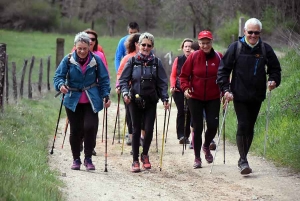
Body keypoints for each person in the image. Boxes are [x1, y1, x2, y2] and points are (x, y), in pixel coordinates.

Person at [217, 18, 281, 175]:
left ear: (260, 33)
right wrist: (225, 89)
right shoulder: (236, 47)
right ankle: (243, 160)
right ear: (244, 32)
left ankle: (243, 158)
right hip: (238, 94)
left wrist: (273, 81)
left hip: (257, 95)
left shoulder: (265, 49)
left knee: (250, 127)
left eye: (256, 32)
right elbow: (223, 71)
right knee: (243, 124)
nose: (253, 35)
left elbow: (275, 69)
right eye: (250, 32)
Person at [53, 32, 111, 171]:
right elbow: (58, 76)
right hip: (72, 100)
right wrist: (61, 85)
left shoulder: (96, 60)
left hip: (91, 100)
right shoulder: (68, 60)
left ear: (89, 47)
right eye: (79, 48)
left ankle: (88, 158)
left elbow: (104, 79)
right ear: (75, 47)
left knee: (90, 128)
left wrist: (106, 95)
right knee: (76, 130)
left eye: (85, 48)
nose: (82, 51)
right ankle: (76, 159)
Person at [119, 32, 169, 172]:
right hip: (134, 99)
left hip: (151, 100)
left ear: (152, 46)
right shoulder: (132, 61)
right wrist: (124, 92)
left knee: (149, 129)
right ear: (138, 45)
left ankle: (145, 154)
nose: (146, 47)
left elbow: (162, 82)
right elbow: (123, 80)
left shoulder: (156, 63)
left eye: (149, 45)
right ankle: (135, 160)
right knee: (135, 130)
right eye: (143, 45)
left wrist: (165, 97)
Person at [180, 30, 223, 169]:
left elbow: (223, 76)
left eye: (207, 42)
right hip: (195, 96)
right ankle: (197, 157)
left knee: (212, 125)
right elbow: (183, 76)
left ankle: (206, 145)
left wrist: (225, 90)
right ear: (198, 43)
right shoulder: (193, 57)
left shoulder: (218, 57)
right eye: (202, 43)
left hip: (213, 97)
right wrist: (186, 88)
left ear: (212, 42)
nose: (205, 45)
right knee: (197, 127)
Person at [116, 33, 141, 148]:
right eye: (141, 42)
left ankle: (142, 138)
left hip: (145, 91)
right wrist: (118, 86)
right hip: (129, 91)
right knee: (131, 116)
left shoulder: (150, 58)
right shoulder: (127, 58)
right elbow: (120, 74)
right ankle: (132, 138)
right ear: (136, 44)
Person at [170, 38, 193, 145]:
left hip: (192, 90)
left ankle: (187, 135)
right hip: (179, 89)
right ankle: (181, 135)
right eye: (186, 46)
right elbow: (173, 75)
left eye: (190, 46)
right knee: (181, 110)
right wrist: (173, 86)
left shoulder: (195, 59)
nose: (188, 48)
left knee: (189, 111)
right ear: (182, 48)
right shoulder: (178, 60)